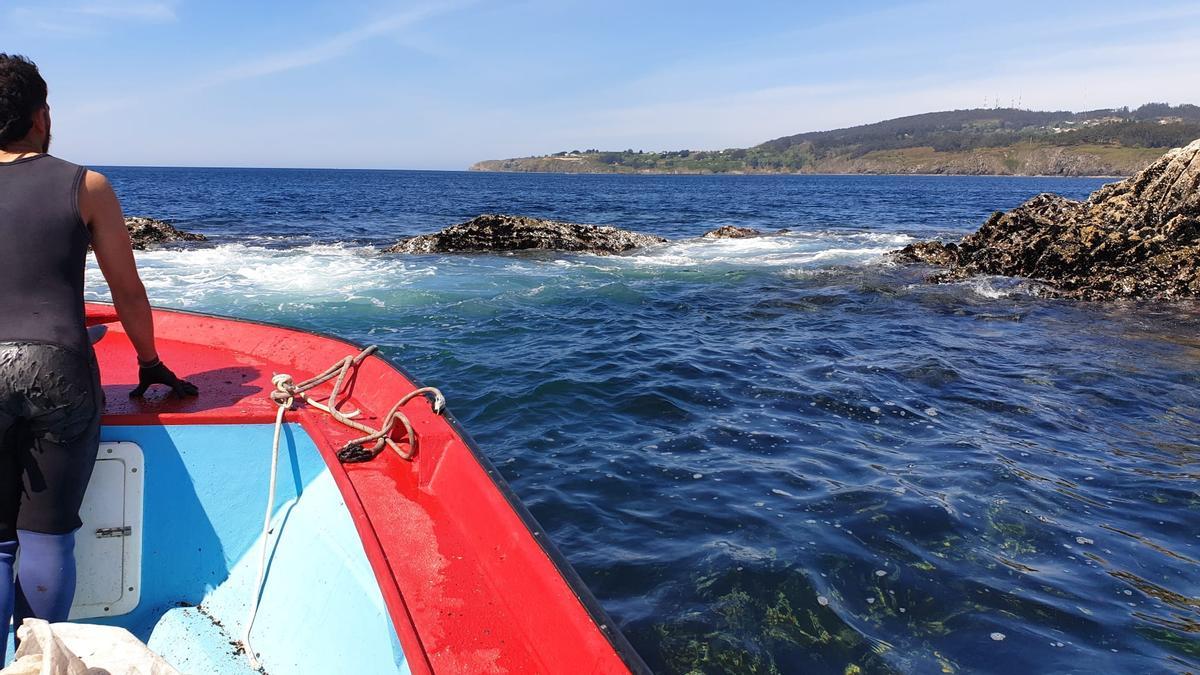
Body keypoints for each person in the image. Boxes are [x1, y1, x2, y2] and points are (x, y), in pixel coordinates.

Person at [0, 53, 197, 658]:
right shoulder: (85, 184)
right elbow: (127, 291)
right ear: (42, 115)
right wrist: (148, 363)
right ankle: (41, 665)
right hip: (57, 366)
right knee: (47, 536)